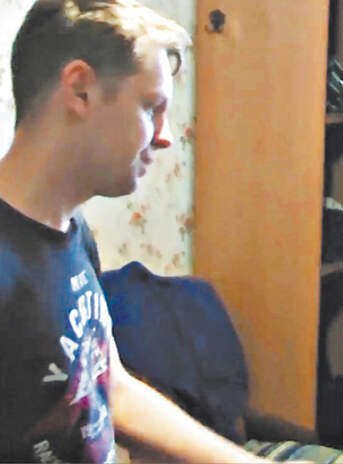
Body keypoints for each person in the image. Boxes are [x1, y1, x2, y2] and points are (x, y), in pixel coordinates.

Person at [0, 0, 273, 461]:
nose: (165, 136)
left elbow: (110, 383)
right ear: (80, 90)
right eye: (151, 108)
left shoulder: (70, 230)